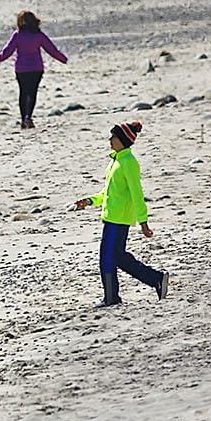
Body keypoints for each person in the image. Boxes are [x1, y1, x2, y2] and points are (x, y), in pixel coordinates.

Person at [74, 121, 171, 308]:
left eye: (114, 137)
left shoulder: (128, 163)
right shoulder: (116, 161)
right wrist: (90, 201)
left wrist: (143, 222)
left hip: (119, 220)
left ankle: (112, 297)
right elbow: (108, 192)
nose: (110, 140)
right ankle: (156, 279)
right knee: (117, 257)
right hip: (111, 217)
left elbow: (137, 193)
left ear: (123, 140)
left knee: (107, 258)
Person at [0, 10, 69, 130]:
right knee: (32, 92)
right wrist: (63, 59)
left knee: (23, 93)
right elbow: (51, 49)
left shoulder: (17, 35)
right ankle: (28, 117)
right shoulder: (38, 35)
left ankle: (23, 119)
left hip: (21, 69)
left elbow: (6, 52)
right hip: (36, 68)